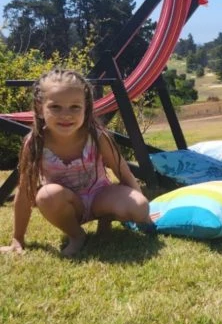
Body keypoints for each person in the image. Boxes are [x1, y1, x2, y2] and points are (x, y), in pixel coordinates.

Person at [1, 68, 151, 257]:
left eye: (75, 107)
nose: (66, 115)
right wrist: (17, 239)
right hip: (68, 205)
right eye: (55, 107)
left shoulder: (96, 136)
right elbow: (24, 191)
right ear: (39, 108)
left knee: (140, 207)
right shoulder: (35, 143)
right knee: (46, 195)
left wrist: (144, 215)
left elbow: (123, 172)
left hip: (100, 197)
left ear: (86, 107)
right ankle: (77, 235)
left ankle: (106, 219)